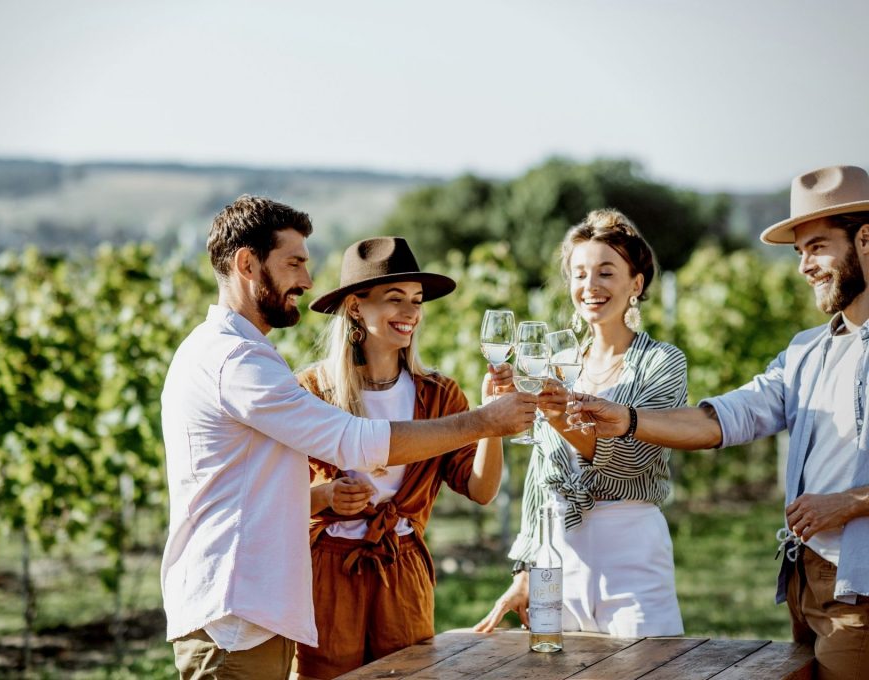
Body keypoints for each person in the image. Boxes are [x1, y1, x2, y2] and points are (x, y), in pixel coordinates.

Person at [160, 196, 540, 680]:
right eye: (294, 262)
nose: (306, 279)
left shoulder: (244, 356)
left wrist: (487, 423)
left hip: (273, 604)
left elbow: (263, 488)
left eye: (416, 301)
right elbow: (355, 441)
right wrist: (486, 421)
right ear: (247, 263)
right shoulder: (248, 366)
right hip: (246, 607)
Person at [567, 165, 869, 680]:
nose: (804, 267)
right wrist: (629, 419)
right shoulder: (805, 352)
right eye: (799, 253)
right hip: (807, 579)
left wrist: (850, 503)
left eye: (817, 247)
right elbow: (723, 420)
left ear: (865, 240)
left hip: (860, 586)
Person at [291, 237, 560, 679]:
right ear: (356, 308)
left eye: (416, 301)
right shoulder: (311, 392)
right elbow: (279, 497)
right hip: (328, 573)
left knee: (409, 674)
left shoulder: (437, 394)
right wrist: (327, 497)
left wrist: (489, 423)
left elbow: (481, 491)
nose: (411, 313)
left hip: (401, 569)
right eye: (394, 299)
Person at [475, 209, 688, 637]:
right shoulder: (555, 367)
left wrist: (558, 419)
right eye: (579, 274)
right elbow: (541, 478)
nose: (590, 287)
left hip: (631, 552)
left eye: (606, 273)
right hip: (559, 558)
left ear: (636, 284)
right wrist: (525, 568)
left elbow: (632, 458)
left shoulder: (663, 363)